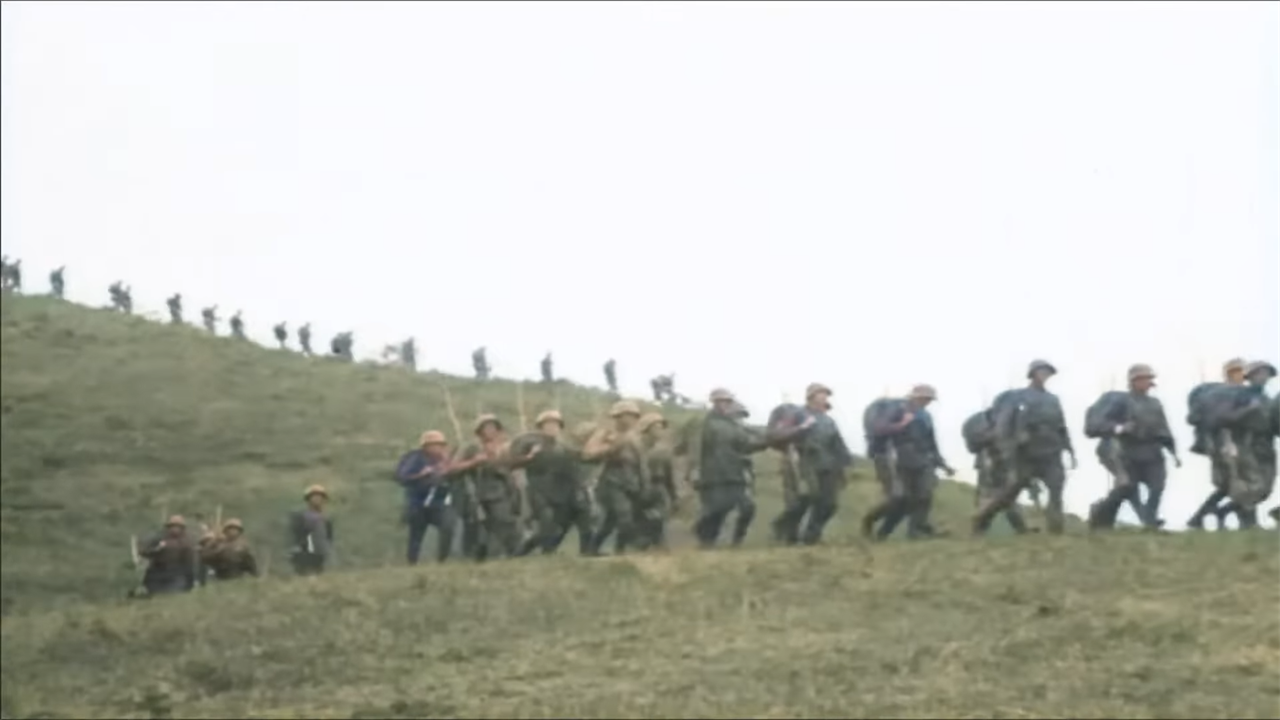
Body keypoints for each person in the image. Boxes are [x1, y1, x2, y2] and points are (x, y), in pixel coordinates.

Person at [974, 360, 1077, 535]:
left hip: (1051, 450)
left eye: (1047, 372)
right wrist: (1007, 448)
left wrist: (1069, 449)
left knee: (1056, 489)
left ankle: (1056, 531)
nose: (1044, 375)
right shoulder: (1017, 397)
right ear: (1032, 374)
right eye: (1041, 371)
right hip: (1025, 452)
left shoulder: (1053, 400)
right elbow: (1003, 424)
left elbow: (1061, 426)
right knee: (1010, 491)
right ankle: (981, 521)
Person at [1086, 364, 1180, 530]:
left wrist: (1172, 451)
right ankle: (1102, 513)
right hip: (1127, 450)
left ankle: (1149, 518)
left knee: (1157, 486)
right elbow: (1100, 424)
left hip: (1152, 451)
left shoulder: (1155, 403)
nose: (1146, 383)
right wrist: (1120, 428)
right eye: (1142, 379)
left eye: (1148, 379)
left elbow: (1163, 427)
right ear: (1133, 381)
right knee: (1128, 488)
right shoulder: (1119, 401)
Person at [768, 383, 854, 545]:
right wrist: (801, 428)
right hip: (804, 461)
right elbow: (778, 434)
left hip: (827, 464)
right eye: (820, 393)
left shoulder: (829, 421)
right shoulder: (797, 414)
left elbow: (838, 444)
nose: (824, 397)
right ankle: (783, 527)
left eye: (826, 394)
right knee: (805, 498)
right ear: (811, 396)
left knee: (829, 504)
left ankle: (811, 536)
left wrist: (845, 465)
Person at [866, 385, 955, 540]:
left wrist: (943, 464)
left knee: (925, 496)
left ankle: (915, 531)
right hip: (899, 458)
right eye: (924, 398)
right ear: (914, 396)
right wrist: (902, 424)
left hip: (923, 460)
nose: (926, 402)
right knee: (900, 499)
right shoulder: (897, 409)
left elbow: (931, 443)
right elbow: (880, 428)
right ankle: (872, 522)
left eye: (929, 399)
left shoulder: (926, 416)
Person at [510, 410, 594, 556]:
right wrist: (530, 456)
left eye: (555, 425)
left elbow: (580, 461)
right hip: (538, 490)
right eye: (548, 425)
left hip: (560, 492)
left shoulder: (563, 448)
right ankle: (520, 552)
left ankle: (548, 552)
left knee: (560, 525)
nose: (552, 428)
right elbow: (512, 462)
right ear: (541, 427)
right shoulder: (529, 443)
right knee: (546, 524)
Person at [693, 389, 770, 548]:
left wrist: (766, 442)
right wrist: (695, 472)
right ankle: (705, 538)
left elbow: (745, 445)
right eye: (722, 401)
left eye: (728, 402)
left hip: (734, 475)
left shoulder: (733, 426)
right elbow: (695, 450)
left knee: (747, 508)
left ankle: (736, 540)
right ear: (714, 403)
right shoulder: (707, 424)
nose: (725, 405)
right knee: (717, 511)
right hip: (713, 477)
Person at [583, 401, 649, 555]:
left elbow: (642, 463)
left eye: (633, 416)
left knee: (610, 522)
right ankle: (636, 542)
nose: (630, 420)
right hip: (611, 481)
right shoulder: (606, 434)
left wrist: (645, 484)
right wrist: (610, 449)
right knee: (624, 514)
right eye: (627, 416)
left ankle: (597, 549)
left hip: (630, 482)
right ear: (618, 417)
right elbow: (587, 454)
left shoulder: (635, 437)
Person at [395, 431, 458, 564]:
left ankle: (443, 560)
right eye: (433, 445)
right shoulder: (414, 458)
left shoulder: (445, 459)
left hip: (439, 502)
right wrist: (421, 474)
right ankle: (412, 562)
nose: (437, 448)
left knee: (448, 526)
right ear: (425, 446)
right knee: (416, 535)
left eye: (440, 445)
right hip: (418, 503)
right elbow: (402, 478)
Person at [138, 515, 197, 596]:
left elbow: (189, 564)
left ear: (182, 528)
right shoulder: (159, 538)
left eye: (178, 527)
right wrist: (157, 548)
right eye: (172, 526)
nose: (174, 529)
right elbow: (145, 552)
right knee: (154, 591)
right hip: (158, 574)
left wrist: (190, 581)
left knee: (173, 592)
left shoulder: (187, 543)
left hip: (177, 575)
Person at [289, 485, 334, 576]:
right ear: (308, 499)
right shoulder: (301, 516)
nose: (317, 499)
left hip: (320, 554)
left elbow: (329, 536)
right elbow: (296, 534)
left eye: (320, 497)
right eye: (314, 496)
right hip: (305, 553)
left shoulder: (326, 518)